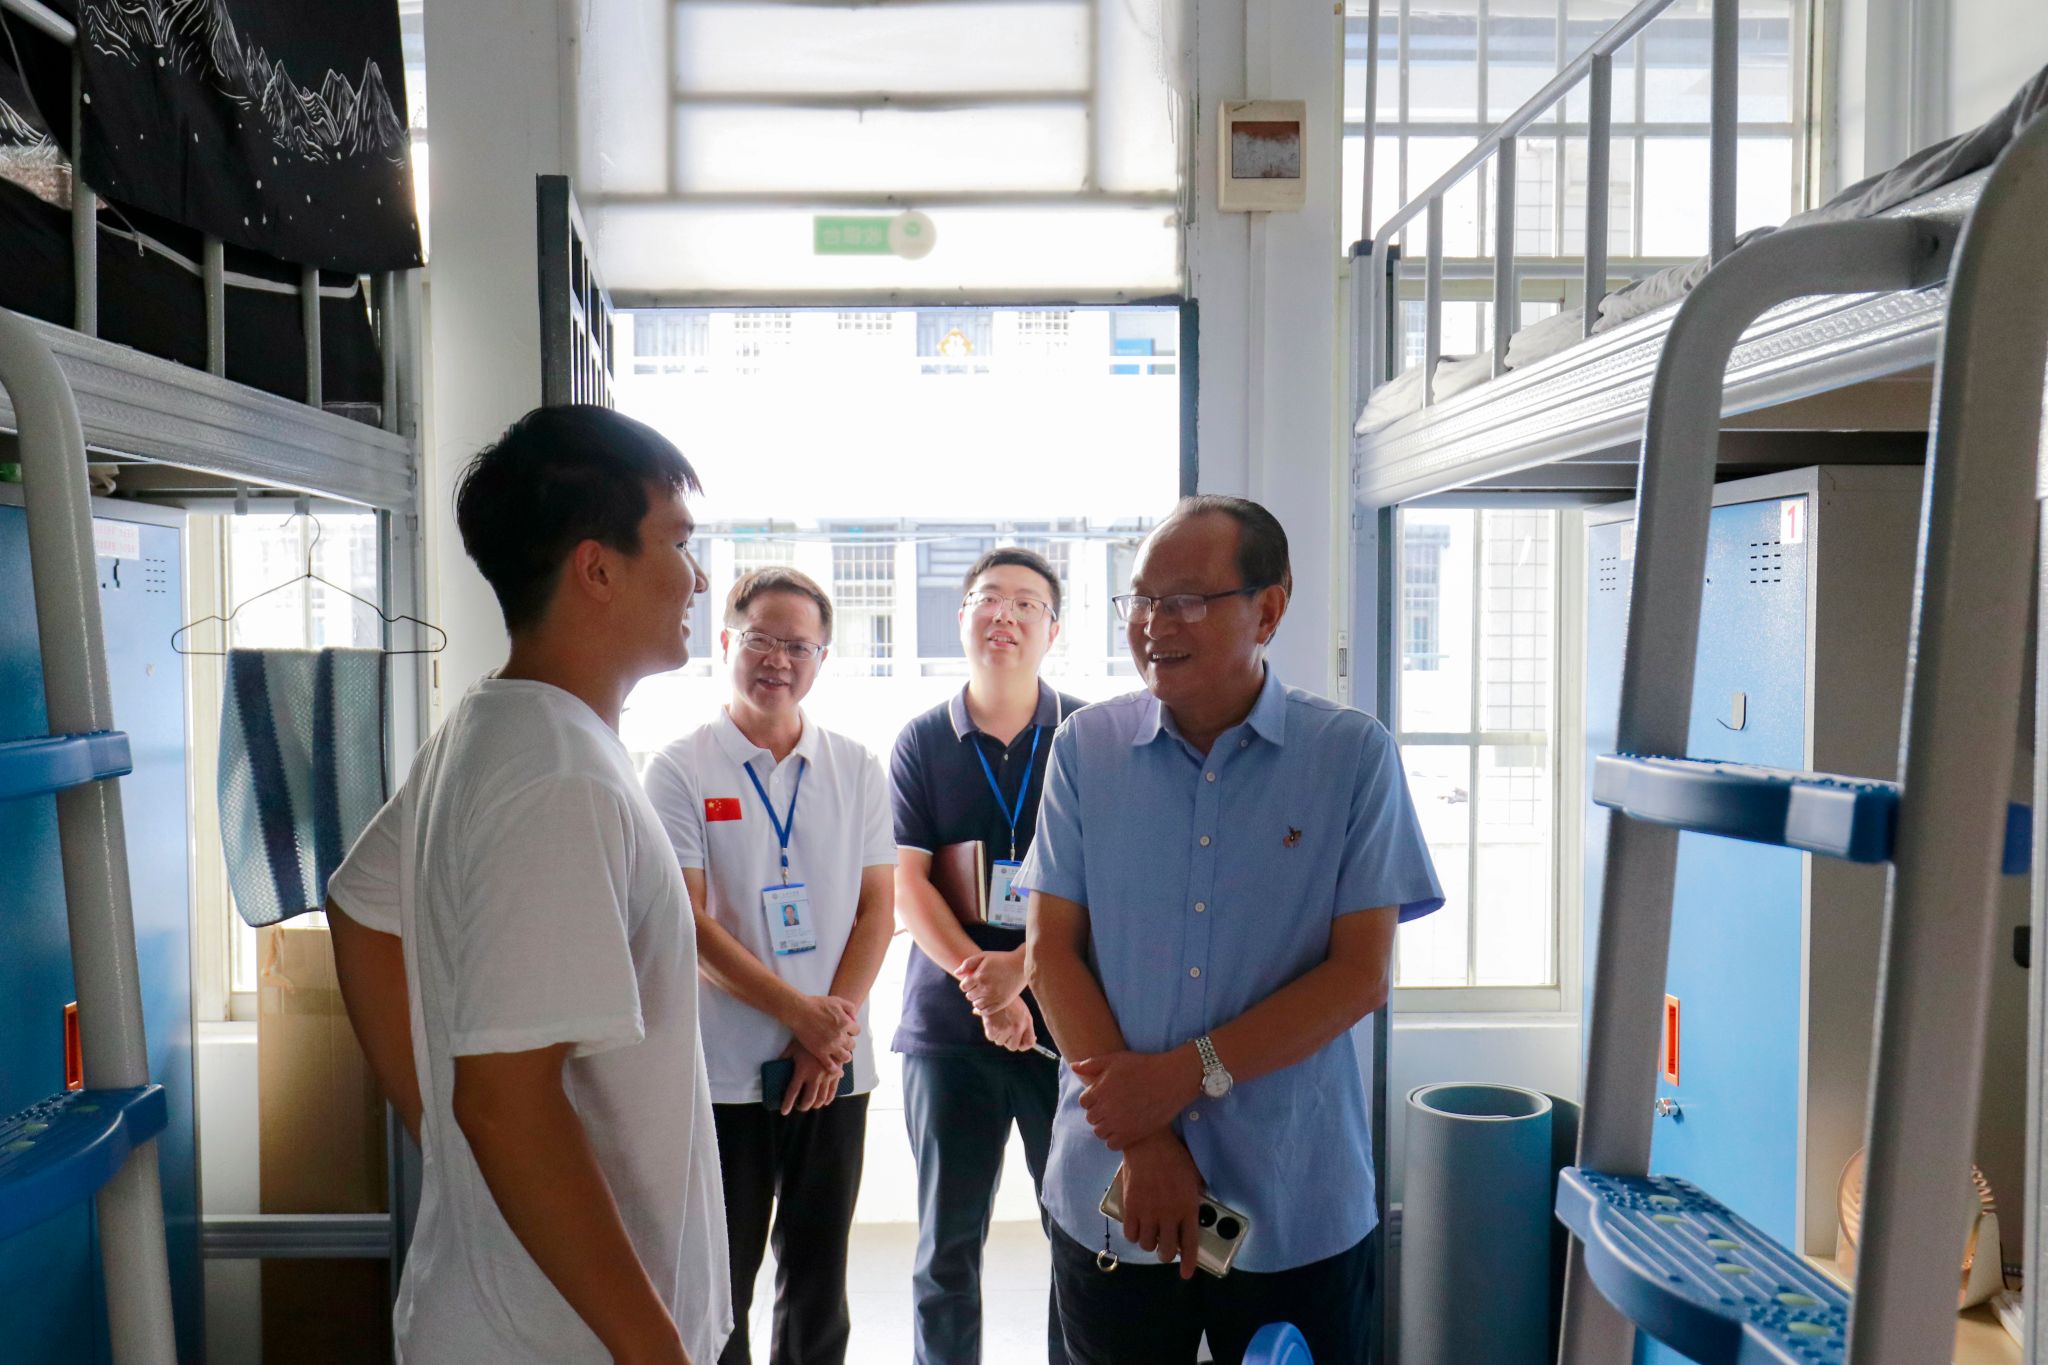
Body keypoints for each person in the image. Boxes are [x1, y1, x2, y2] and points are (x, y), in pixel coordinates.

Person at [325, 404, 732, 1365]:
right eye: (678, 542)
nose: (698, 576)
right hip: (558, 1342)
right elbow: (506, 1102)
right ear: (598, 568)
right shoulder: (557, 775)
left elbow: (357, 908)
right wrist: (655, 1351)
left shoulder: (495, 726)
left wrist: (447, 1134)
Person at [1018, 496, 1443, 1365]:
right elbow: (1050, 953)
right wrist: (1143, 1137)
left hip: (1294, 1195)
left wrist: (1181, 1076)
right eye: (1141, 598)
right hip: (1114, 1190)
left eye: (1185, 600)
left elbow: (1360, 975)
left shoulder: (1350, 757)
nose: (1152, 624)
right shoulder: (1085, 749)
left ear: (1269, 610)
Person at [641, 567, 896, 1365]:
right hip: (723, 1072)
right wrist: (801, 1015)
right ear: (726, 641)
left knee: (819, 1279)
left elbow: (876, 912)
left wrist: (829, 1033)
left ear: (822, 657)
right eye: (760, 639)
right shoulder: (680, 767)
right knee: (722, 1281)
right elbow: (689, 924)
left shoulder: (856, 766)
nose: (778, 660)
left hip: (832, 1070)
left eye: (798, 645)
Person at [889, 547, 1086, 1365]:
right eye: (987, 598)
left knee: (1077, 1234)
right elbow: (908, 885)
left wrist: (1024, 972)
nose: (1004, 614)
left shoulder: (1087, 736)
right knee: (946, 1246)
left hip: (1068, 1025)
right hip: (948, 1031)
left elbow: (1108, 885)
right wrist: (989, 986)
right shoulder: (922, 740)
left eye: (1026, 603)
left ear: (1053, 629)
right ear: (961, 616)